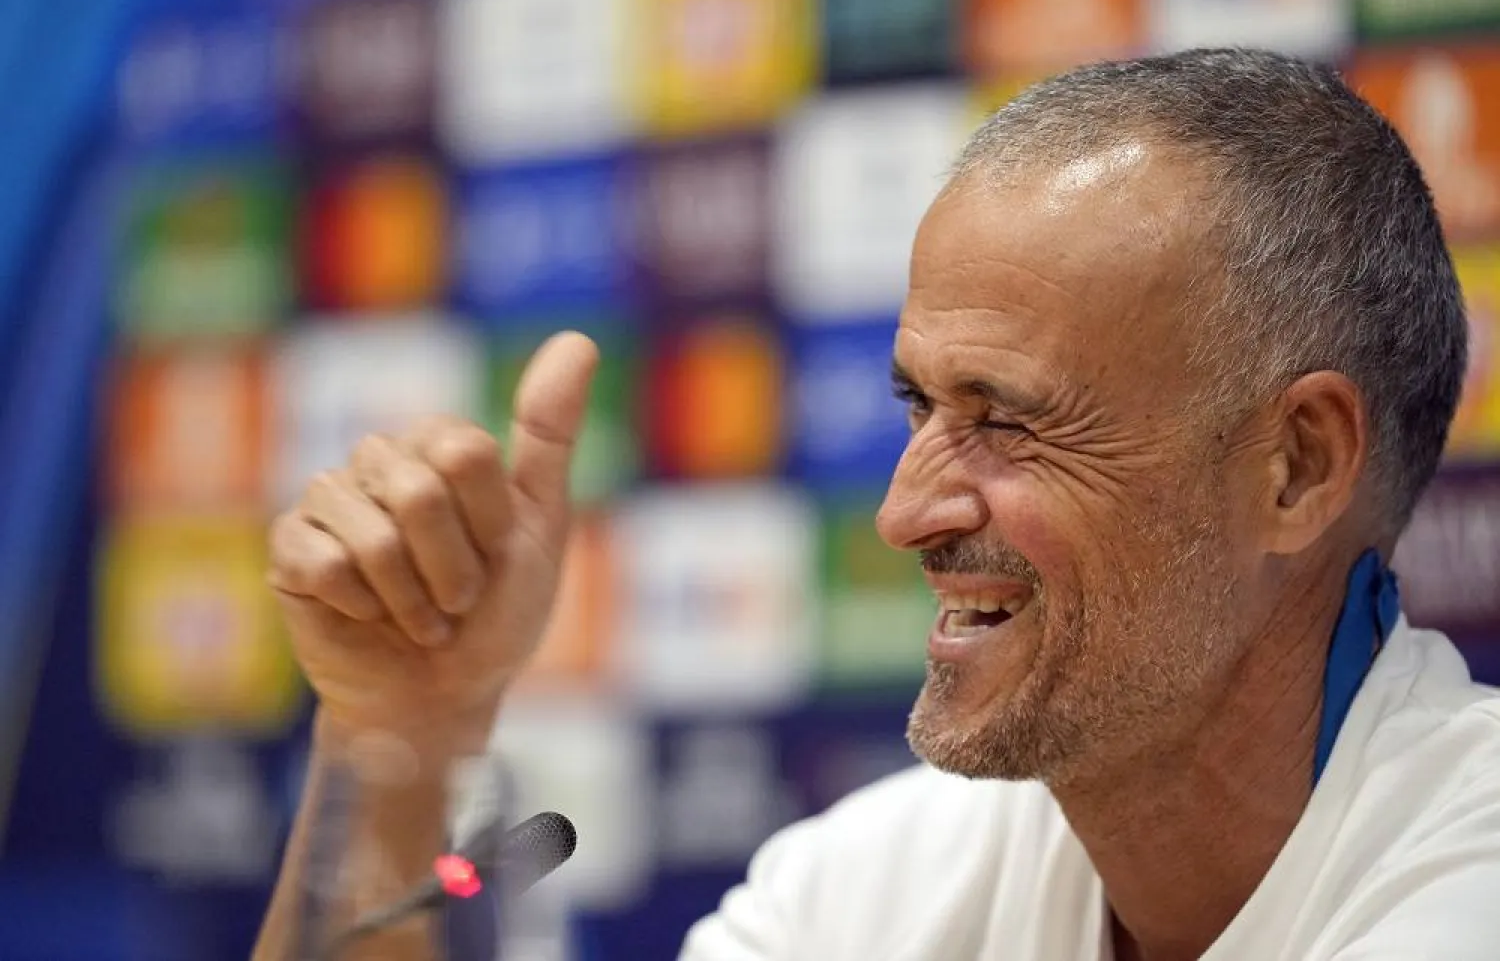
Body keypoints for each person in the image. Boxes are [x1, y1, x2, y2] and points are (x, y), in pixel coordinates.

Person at [252, 48, 1500, 961]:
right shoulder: (876, 883)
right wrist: (396, 730)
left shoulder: (1469, 877)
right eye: (919, 408)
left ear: (1294, 466)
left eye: (1006, 417)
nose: (905, 516)